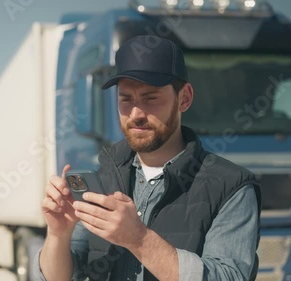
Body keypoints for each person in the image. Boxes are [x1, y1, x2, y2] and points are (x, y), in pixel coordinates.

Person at [37, 35, 261, 281]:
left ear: (184, 98)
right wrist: (58, 233)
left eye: (150, 98)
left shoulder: (231, 187)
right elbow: (62, 277)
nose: (136, 114)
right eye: (126, 99)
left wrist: (139, 239)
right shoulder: (104, 179)